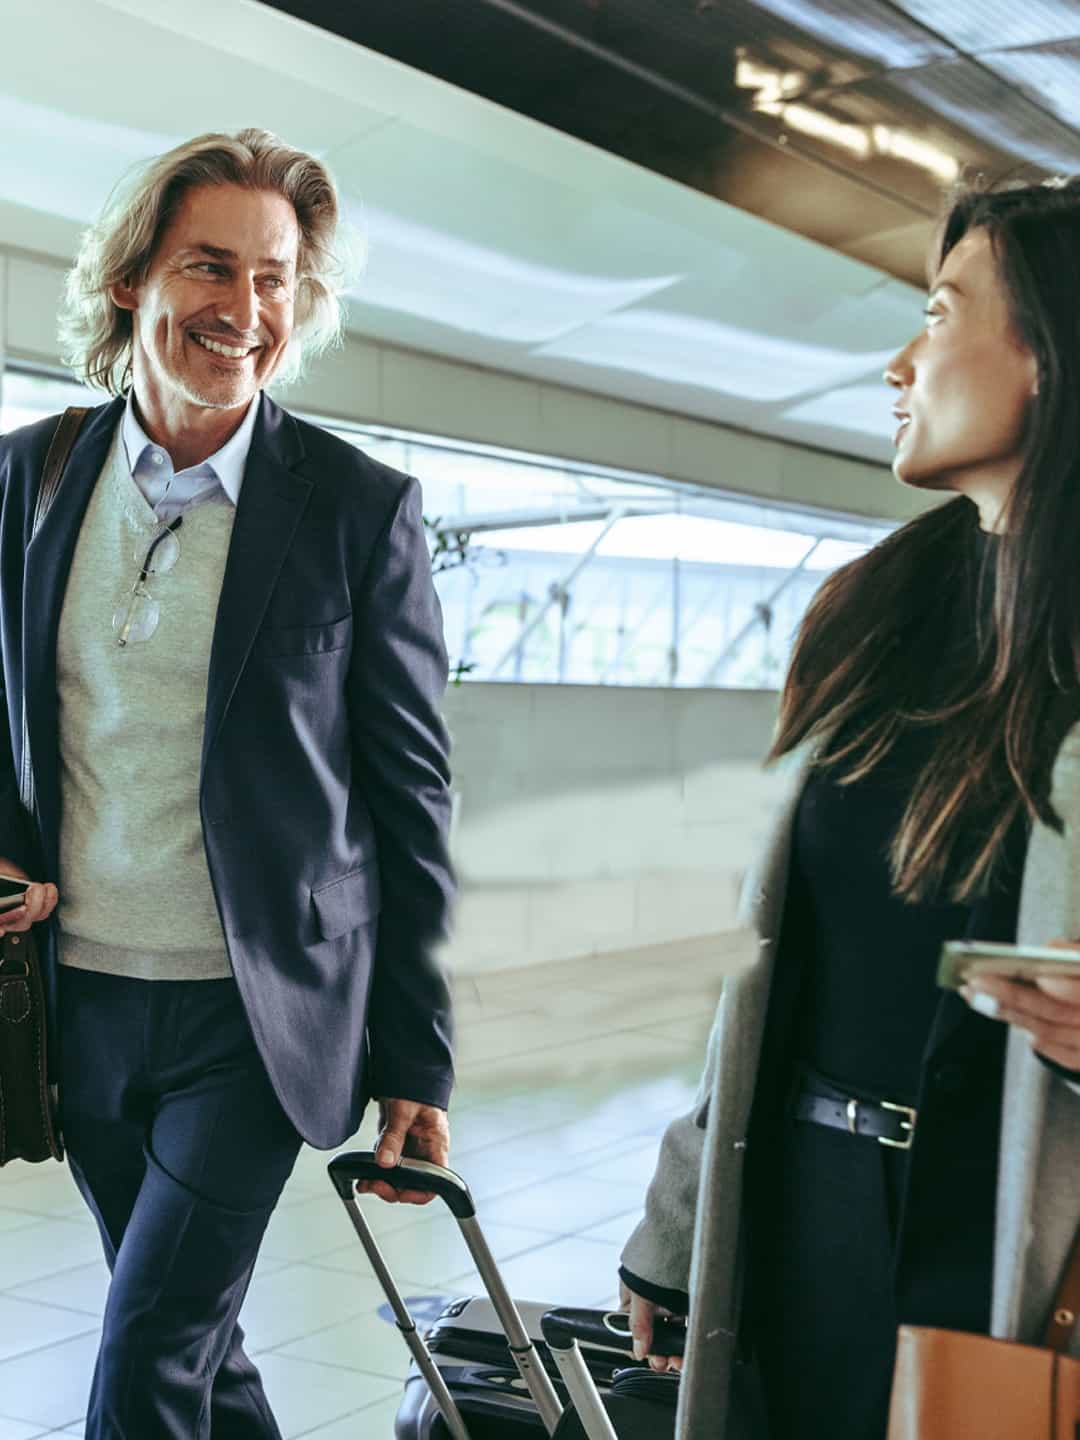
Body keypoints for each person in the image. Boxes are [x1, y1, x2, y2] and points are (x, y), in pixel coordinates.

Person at [0, 129, 455, 1438]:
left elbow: (410, 798)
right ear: (135, 276)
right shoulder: (29, 479)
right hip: (76, 1011)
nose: (244, 309)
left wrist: (419, 1058)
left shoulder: (359, 510)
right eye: (212, 265)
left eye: (275, 277)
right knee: (200, 1348)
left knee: (145, 1353)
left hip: (254, 1021)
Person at [618, 177, 1080, 1440]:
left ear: (1050, 351)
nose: (901, 360)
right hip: (808, 1214)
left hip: (1016, 1241)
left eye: (939, 313)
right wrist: (678, 1220)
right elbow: (770, 963)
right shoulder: (874, 611)